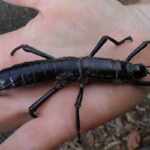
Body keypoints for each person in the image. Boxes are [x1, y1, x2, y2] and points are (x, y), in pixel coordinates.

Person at [0, 0, 150, 149]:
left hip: (56, 67)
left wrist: (142, 20)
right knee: (39, 107)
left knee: (35, 107)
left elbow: (107, 39)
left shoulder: (112, 68)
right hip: (25, 75)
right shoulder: (113, 76)